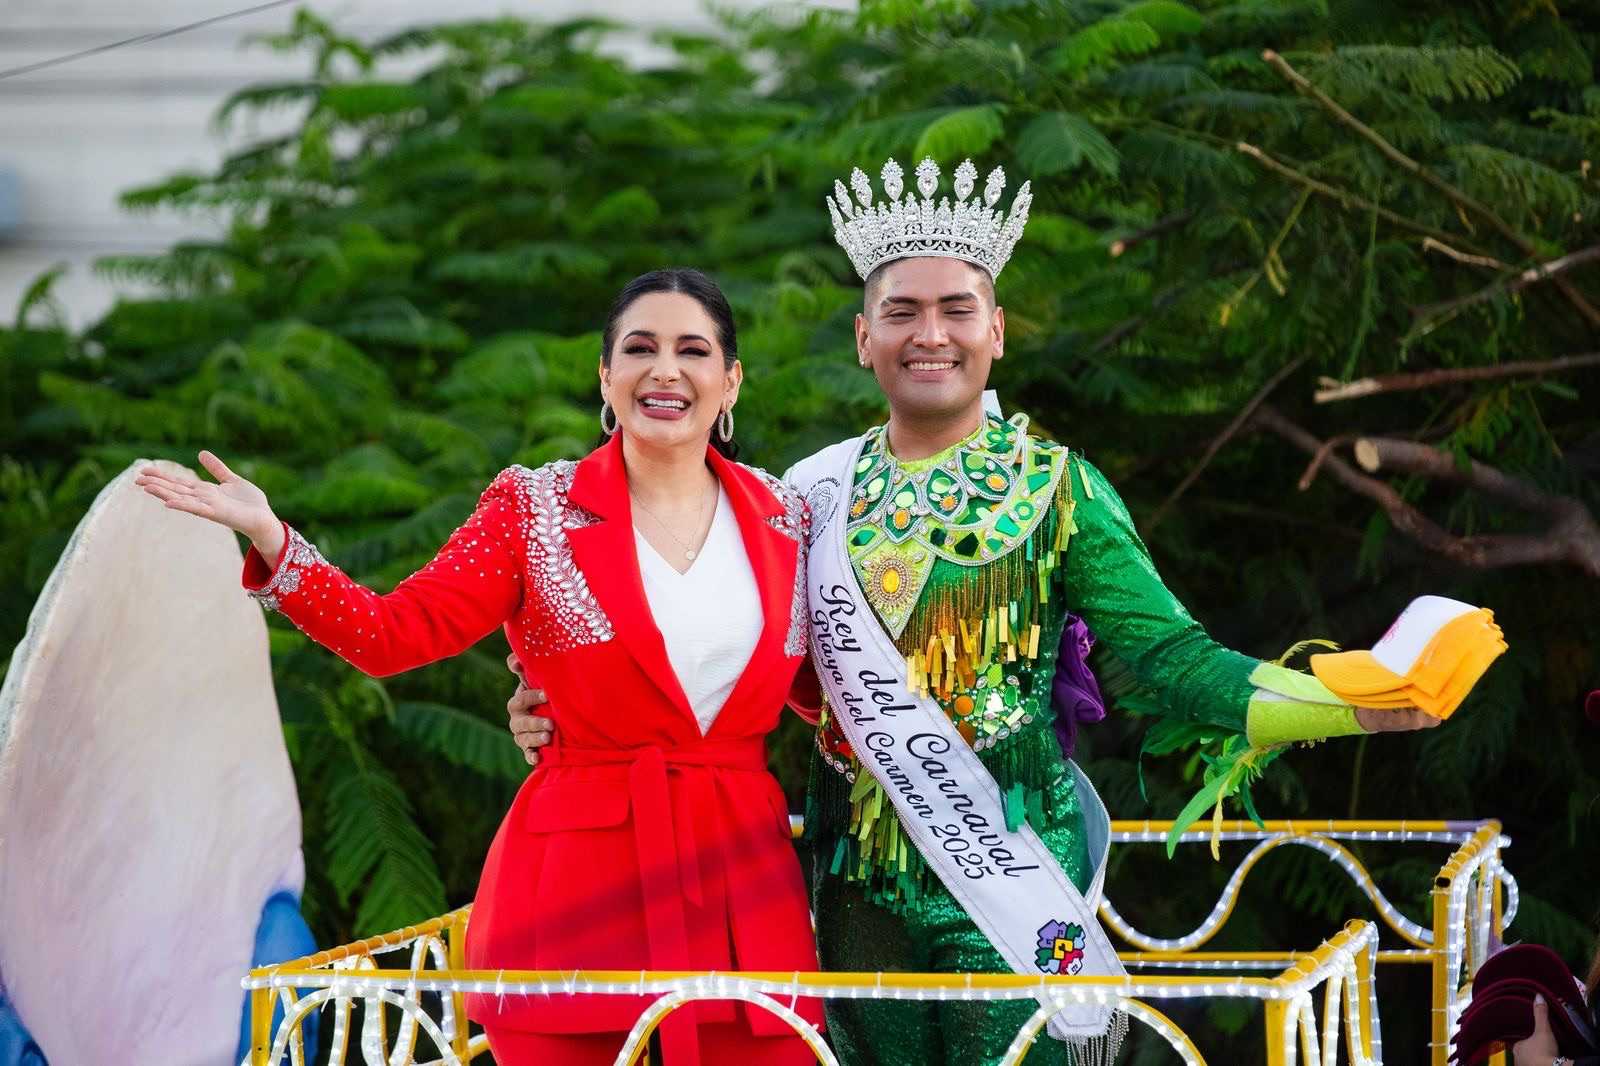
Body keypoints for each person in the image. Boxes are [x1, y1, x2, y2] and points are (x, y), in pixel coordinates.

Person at [511, 159, 1466, 1066]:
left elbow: (1172, 660)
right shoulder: (805, 496)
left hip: (1009, 881)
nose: (931, 334)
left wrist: (1345, 705)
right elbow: (736, 663)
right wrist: (560, 708)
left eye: (956, 309)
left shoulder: (1059, 490)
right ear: (862, 338)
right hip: (850, 889)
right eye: (902, 313)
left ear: (996, 330)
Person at [137, 269, 822, 1066]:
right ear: (607, 375)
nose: (664, 370)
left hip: (745, 895)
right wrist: (274, 542)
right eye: (640, 348)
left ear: (729, 379)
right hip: (576, 900)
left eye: (692, 350)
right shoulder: (530, 508)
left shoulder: (788, 517)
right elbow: (394, 633)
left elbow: (835, 692)